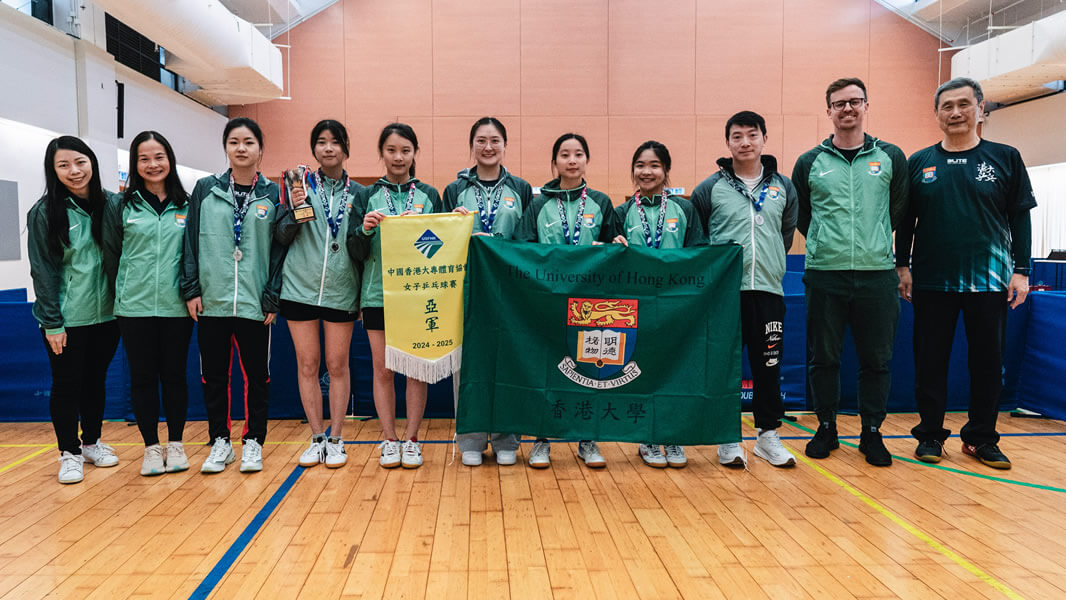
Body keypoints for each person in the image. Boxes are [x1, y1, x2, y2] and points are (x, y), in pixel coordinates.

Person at [896, 77, 1036, 470]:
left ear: (981, 109)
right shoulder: (919, 162)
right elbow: (906, 221)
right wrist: (902, 265)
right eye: (947, 106)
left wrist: (1021, 271)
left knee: (989, 364)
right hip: (931, 281)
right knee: (930, 362)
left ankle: (980, 439)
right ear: (937, 114)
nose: (955, 112)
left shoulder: (1005, 157)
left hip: (989, 282)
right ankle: (929, 436)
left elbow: (1020, 219)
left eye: (963, 104)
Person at [791, 77, 908, 466]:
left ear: (866, 106)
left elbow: (899, 211)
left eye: (855, 102)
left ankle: (872, 432)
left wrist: (874, 241)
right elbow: (803, 215)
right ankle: (826, 426)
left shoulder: (890, 156)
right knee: (824, 357)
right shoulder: (810, 162)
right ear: (828, 111)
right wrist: (827, 241)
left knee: (877, 359)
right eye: (839, 104)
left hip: (877, 273)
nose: (847, 109)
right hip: (825, 272)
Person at [691, 111, 799, 468]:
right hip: (726, 294)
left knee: (768, 365)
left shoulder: (783, 186)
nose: (745, 142)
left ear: (764, 138)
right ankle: (727, 437)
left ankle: (768, 437)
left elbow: (785, 233)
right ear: (728, 143)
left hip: (768, 289)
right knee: (724, 367)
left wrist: (767, 262)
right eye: (737, 136)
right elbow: (700, 238)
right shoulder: (710, 188)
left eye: (752, 135)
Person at [180, 117, 284, 474]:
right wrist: (192, 289)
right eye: (234, 142)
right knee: (214, 376)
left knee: (257, 376)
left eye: (249, 142)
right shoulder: (205, 189)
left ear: (260, 149)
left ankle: (253, 441)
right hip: (213, 301)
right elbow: (190, 242)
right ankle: (219, 441)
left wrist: (272, 296)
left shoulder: (272, 193)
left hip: (255, 303)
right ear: (226, 147)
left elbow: (279, 250)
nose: (241, 148)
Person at [515, 132, 621, 469]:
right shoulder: (537, 203)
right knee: (547, 368)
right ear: (554, 162)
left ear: (586, 160)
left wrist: (613, 243)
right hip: (548, 301)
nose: (571, 160)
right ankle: (542, 439)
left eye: (578, 154)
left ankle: (587, 439)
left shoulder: (602, 202)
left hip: (590, 304)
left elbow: (612, 249)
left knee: (589, 369)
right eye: (564, 155)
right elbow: (524, 248)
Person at [28, 136, 121, 484]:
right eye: (63, 165)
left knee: (95, 382)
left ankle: (92, 442)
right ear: (53, 171)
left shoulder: (112, 204)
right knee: (66, 384)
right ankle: (69, 451)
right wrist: (53, 322)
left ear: (92, 163)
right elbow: (43, 269)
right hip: (65, 319)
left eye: (80, 162)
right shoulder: (44, 212)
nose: (74, 171)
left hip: (108, 316)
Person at [349, 122, 441, 469]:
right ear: (381, 154)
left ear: (415, 153)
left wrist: (456, 222)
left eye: (405, 150)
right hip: (378, 295)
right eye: (391, 150)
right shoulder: (365, 196)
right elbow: (354, 249)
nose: (398, 157)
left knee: (415, 370)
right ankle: (389, 439)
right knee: (383, 371)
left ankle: (413, 440)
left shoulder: (429, 195)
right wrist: (364, 228)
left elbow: (441, 244)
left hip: (418, 296)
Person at [442, 116, 533, 467]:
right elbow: (442, 239)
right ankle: (471, 437)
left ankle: (507, 438)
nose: (488, 147)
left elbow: (526, 240)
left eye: (495, 140)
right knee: (467, 364)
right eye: (481, 140)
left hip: (509, 291)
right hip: (466, 289)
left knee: (508, 363)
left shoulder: (521, 189)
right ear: (472, 145)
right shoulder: (455, 189)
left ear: (505, 145)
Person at [102, 131, 193, 476]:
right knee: (142, 379)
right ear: (135, 165)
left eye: (159, 157)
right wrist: (124, 291)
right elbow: (112, 255)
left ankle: (176, 445)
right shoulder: (121, 206)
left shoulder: (187, 204)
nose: (153, 164)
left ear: (169, 159)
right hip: (134, 309)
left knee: (174, 377)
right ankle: (151, 449)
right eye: (144, 158)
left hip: (176, 308)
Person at [276, 120, 365, 469]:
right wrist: (296, 209)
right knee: (308, 364)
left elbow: (360, 244)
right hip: (299, 288)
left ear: (345, 148)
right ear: (314, 148)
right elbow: (281, 235)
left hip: (342, 290)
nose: (328, 149)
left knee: (337, 364)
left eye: (335, 142)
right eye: (321, 142)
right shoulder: (298, 185)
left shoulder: (359, 193)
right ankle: (316, 437)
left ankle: (338, 438)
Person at [613, 140, 704, 469]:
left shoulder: (685, 209)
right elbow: (609, 262)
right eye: (640, 165)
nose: (646, 171)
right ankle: (647, 438)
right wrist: (614, 244)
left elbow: (699, 254)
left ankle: (672, 436)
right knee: (641, 370)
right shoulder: (621, 213)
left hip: (674, 306)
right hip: (634, 307)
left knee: (673, 372)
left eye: (653, 165)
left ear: (665, 171)